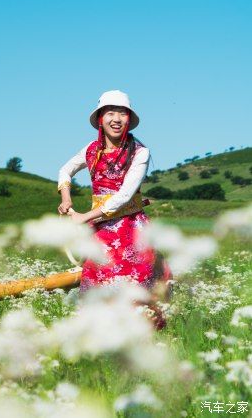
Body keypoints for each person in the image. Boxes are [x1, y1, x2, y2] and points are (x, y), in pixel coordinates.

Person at [57, 90, 173, 330]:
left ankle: (144, 339)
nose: (116, 119)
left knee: (140, 280)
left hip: (131, 228)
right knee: (96, 279)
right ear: (100, 118)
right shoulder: (90, 150)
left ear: (129, 119)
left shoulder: (140, 152)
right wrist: (66, 199)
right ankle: (98, 339)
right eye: (110, 112)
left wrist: (84, 217)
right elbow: (64, 171)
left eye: (122, 113)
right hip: (100, 230)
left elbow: (124, 196)